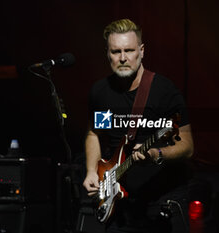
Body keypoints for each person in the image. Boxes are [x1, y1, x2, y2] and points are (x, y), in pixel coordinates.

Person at [83, 18, 194, 233]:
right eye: (116, 52)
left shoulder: (163, 92)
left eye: (129, 50)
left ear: (141, 51)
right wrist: (90, 171)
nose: (123, 58)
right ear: (107, 53)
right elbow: (93, 133)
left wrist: (156, 152)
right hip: (119, 205)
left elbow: (187, 146)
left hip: (162, 201)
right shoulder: (101, 92)